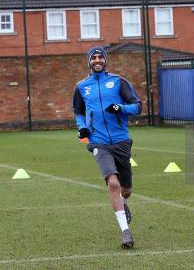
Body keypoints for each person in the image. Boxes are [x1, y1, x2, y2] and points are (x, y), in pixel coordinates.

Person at [72, 46, 142, 249]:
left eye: (100, 57)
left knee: (126, 189)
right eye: (93, 57)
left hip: (121, 141)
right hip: (98, 142)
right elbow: (78, 111)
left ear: (105, 60)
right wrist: (83, 128)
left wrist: (121, 108)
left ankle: (123, 200)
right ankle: (125, 232)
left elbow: (137, 106)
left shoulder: (119, 82)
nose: (97, 60)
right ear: (89, 61)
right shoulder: (81, 86)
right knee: (112, 183)